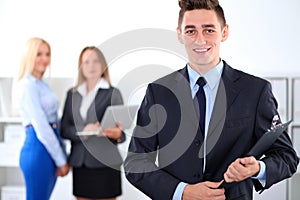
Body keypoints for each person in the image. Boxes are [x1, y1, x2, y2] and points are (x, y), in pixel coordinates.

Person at [124, 0, 299, 199]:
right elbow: (135, 163)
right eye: (191, 31)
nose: (200, 40)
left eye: (208, 30)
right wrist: (183, 192)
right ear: (180, 35)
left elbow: (287, 158)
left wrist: (258, 168)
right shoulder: (158, 92)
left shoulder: (255, 91)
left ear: (224, 32)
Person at [60, 46, 125, 200]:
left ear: (103, 65)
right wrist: (85, 130)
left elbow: (122, 134)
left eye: (96, 61)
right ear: (80, 67)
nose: (91, 66)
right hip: (80, 164)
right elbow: (64, 129)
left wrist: (118, 135)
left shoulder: (112, 93)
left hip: (105, 164)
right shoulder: (72, 94)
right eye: (86, 62)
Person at [16, 37, 69, 200]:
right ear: (29, 56)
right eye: (39, 54)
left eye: (47, 54)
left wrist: (61, 154)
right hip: (37, 148)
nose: (45, 59)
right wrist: (61, 160)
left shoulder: (42, 84)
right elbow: (42, 127)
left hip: (48, 149)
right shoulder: (28, 85)